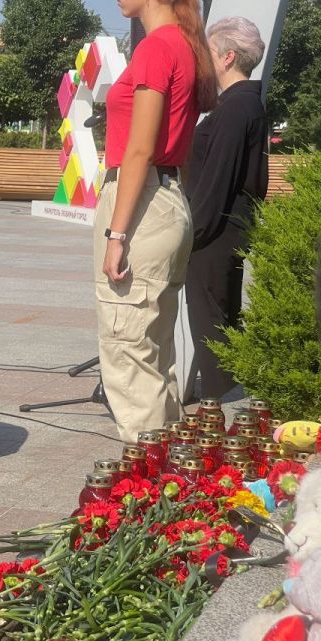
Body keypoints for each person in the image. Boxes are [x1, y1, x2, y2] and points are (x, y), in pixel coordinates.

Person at [94, 0, 217, 442]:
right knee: (155, 353)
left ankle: (146, 482)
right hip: (166, 198)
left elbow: (140, 149)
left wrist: (117, 233)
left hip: (141, 202)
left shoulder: (156, 47)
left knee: (128, 351)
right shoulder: (186, 44)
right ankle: (169, 476)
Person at [185, 16, 268, 399]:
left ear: (228, 57)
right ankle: (220, 402)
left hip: (214, 234)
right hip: (223, 229)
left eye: (209, 52)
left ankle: (216, 409)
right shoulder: (242, 104)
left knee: (211, 322)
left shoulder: (237, 108)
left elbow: (218, 179)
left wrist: (192, 233)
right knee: (219, 318)